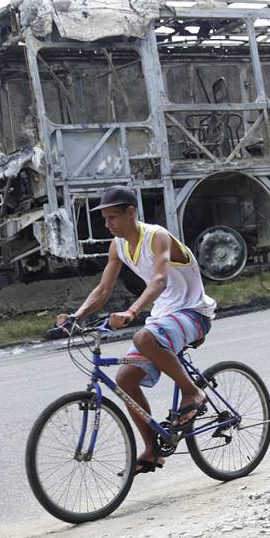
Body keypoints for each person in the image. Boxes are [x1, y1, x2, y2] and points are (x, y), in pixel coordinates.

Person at [56, 186, 217, 475]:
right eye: (105, 219)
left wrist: (132, 311)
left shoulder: (157, 236)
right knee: (125, 380)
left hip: (193, 313)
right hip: (163, 318)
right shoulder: (117, 246)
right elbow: (103, 290)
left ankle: (192, 393)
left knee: (143, 336)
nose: (108, 225)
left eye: (113, 217)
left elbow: (159, 281)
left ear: (131, 212)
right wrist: (76, 317)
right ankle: (153, 450)